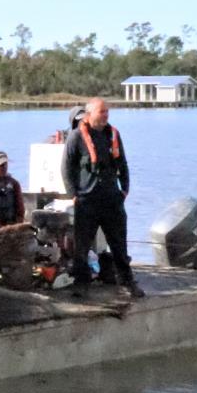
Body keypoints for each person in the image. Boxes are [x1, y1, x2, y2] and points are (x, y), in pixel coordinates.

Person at [62, 97, 143, 298]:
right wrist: (73, 195)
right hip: (87, 200)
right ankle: (81, 283)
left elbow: (123, 163)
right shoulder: (76, 137)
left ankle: (127, 282)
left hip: (111, 199)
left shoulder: (113, 135)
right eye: (102, 112)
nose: (106, 115)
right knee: (82, 246)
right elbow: (66, 168)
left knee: (118, 243)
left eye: (107, 112)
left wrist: (125, 189)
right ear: (89, 114)